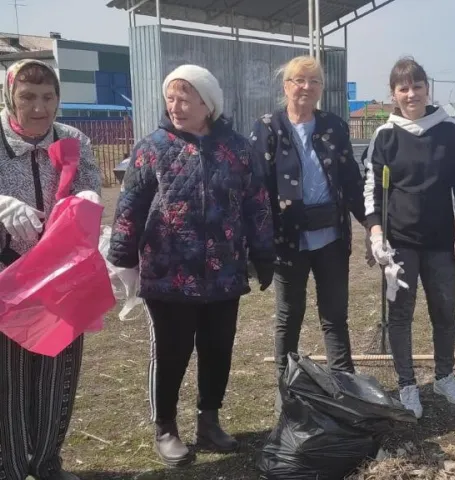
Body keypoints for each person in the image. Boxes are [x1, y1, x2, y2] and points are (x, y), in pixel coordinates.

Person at [108, 64, 275, 466]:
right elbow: (130, 205)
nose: (176, 105)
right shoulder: (153, 147)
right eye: (171, 97)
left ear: (208, 103)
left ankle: (209, 420)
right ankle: (165, 427)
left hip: (224, 272)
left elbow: (257, 203)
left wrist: (265, 253)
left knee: (218, 349)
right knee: (171, 352)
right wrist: (122, 258)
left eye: (186, 97)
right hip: (168, 273)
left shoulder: (237, 148)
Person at [0, 59, 102, 480]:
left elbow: (88, 183)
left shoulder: (73, 138)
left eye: (48, 97)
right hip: (9, 281)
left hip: (62, 281)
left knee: (58, 376)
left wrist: (90, 200)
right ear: (10, 97)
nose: (39, 107)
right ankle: (8, 466)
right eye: (27, 97)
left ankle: (46, 462)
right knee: (10, 382)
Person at [364, 57, 455, 419]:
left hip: (442, 240)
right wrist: (376, 234)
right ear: (394, 95)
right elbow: (372, 189)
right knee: (401, 315)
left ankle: (444, 376)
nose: (411, 94)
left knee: (444, 312)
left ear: (428, 88)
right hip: (400, 243)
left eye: (417, 86)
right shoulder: (385, 135)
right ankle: (407, 384)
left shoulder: (450, 131)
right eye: (403, 88)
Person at [249, 56, 367, 385]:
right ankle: (286, 390)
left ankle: (345, 387)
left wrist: (372, 226)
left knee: (334, 316)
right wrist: (257, 244)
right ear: (286, 86)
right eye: (299, 80)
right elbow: (255, 189)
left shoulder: (333, 127)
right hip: (288, 240)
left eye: (314, 81)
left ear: (321, 90)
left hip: (331, 236)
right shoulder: (268, 127)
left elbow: (352, 181)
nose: (306, 87)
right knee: (289, 316)